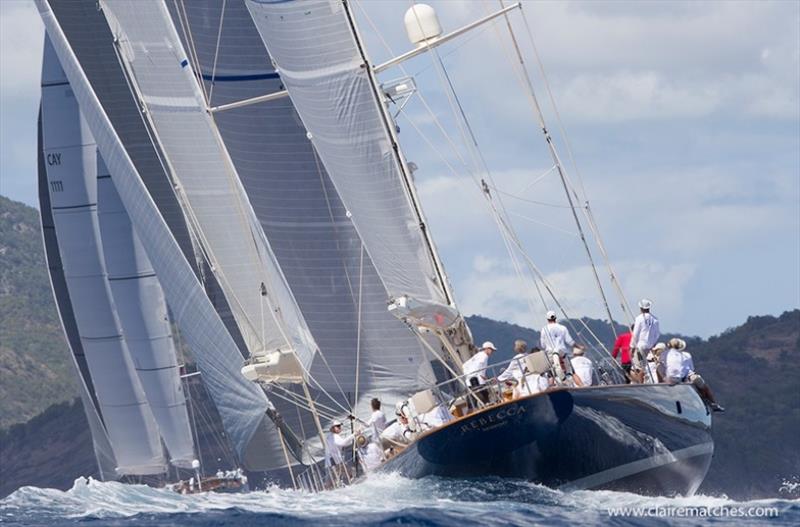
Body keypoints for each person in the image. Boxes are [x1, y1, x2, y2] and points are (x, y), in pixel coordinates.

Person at [667, 338, 725, 412]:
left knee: (698, 381)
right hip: (686, 376)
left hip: (672, 378)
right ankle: (713, 403)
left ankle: (708, 402)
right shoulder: (686, 355)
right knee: (703, 385)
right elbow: (691, 368)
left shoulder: (667, 355)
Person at [629, 299, 660, 381]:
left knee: (637, 368)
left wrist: (632, 348)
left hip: (640, 346)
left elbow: (635, 334)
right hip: (650, 347)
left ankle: (641, 384)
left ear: (641, 308)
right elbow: (657, 334)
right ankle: (646, 381)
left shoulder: (639, 318)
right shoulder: (655, 319)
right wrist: (652, 344)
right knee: (645, 366)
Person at [325, 419, 354, 484]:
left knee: (334, 480)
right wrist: (354, 435)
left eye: (340, 426)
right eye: (337, 426)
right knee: (348, 472)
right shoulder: (334, 436)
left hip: (332, 462)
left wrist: (347, 418)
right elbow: (343, 443)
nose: (340, 427)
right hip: (335, 462)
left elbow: (340, 444)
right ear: (333, 428)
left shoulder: (329, 436)